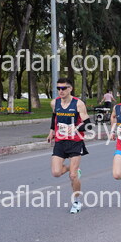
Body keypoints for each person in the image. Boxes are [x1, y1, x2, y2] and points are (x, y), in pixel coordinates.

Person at [47, 77, 91, 214]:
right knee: (56, 173)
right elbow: (54, 117)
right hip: (60, 141)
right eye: (58, 88)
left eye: (63, 88)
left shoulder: (78, 104)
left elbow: (88, 124)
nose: (60, 91)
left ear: (70, 88)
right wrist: (51, 131)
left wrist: (76, 128)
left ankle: (76, 202)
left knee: (73, 176)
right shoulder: (54, 103)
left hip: (75, 142)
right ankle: (73, 169)